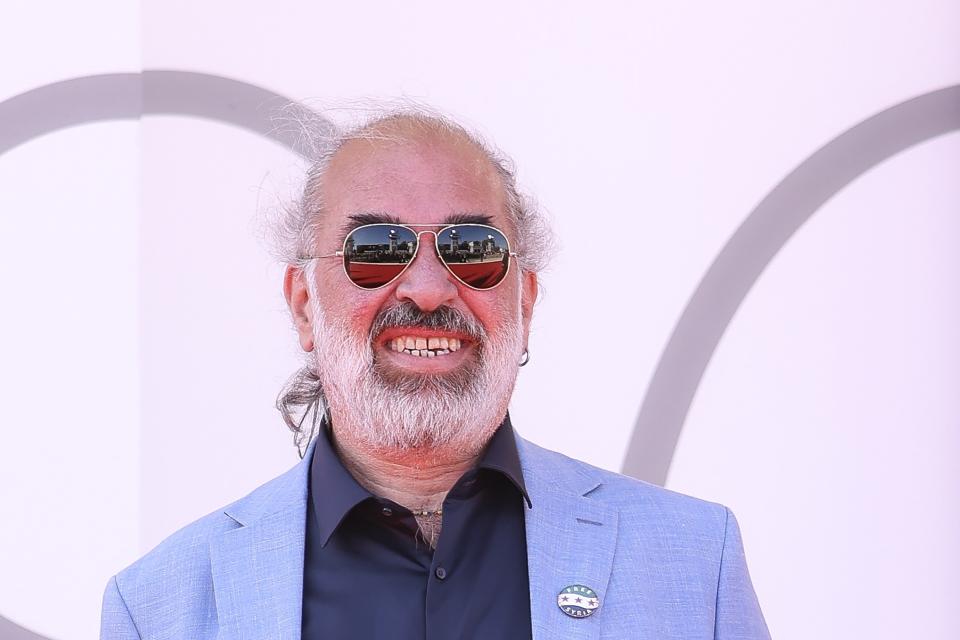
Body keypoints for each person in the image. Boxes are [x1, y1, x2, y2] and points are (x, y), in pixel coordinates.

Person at [100, 107, 771, 639]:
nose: (426, 288)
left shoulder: (695, 562)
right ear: (304, 306)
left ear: (525, 303)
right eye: (376, 249)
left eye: (472, 249)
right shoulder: (159, 609)